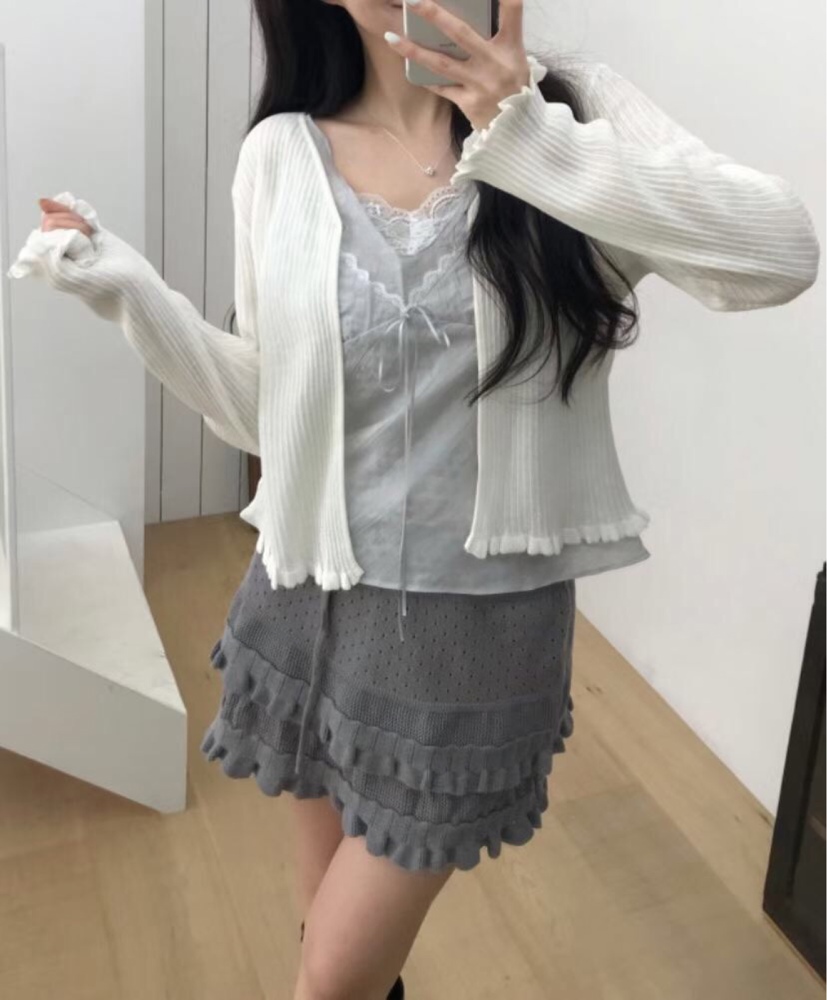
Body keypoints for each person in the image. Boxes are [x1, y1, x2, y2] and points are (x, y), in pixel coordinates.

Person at [10, 1, 820, 998]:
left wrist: (526, 137)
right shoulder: (280, 153)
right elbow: (269, 412)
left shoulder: (574, 106)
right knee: (328, 941)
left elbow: (776, 253)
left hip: (474, 632)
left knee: (330, 977)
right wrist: (127, 289)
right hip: (307, 595)